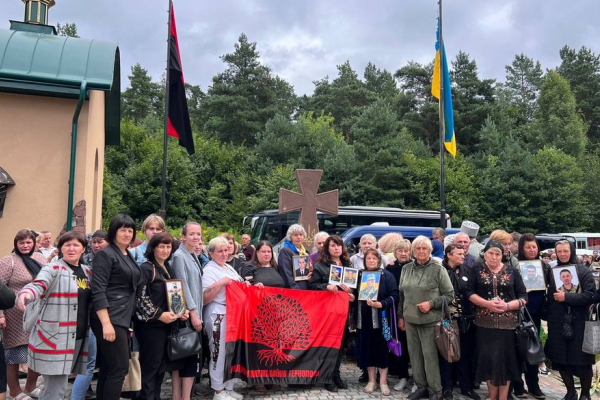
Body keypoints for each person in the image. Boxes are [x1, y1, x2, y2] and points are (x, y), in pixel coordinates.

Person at [16, 231, 92, 400]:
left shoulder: (87, 272)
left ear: (84, 249)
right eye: (67, 245)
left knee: (55, 386)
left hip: (77, 338)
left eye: (76, 245)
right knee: (56, 390)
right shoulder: (53, 268)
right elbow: (39, 283)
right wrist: (26, 294)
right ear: (61, 248)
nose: (71, 248)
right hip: (54, 338)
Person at [465, 240, 528, 400]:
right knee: (488, 360)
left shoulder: (512, 271)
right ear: (484, 254)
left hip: (508, 325)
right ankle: (492, 395)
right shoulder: (476, 270)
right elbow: (469, 293)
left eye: (497, 254)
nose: (494, 257)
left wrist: (507, 306)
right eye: (490, 253)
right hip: (484, 324)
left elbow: (523, 297)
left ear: (503, 255)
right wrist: (487, 304)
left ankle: (503, 396)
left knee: (505, 361)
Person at [90, 214, 142, 400]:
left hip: (122, 316)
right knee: (119, 368)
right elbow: (98, 290)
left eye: (130, 230)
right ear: (114, 231)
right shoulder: (106, 254)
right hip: (110, 317)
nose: (127, 234)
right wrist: (106, 323)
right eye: (123, 230)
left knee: (110, 367)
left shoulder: (126, 253)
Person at [397, 236, 454, 400]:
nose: (421, 251)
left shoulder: (438, 269)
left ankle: (435, 390)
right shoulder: (406, 268)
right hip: (410, 319)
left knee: (430, 357)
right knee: (414, 356)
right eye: (418, 248)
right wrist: (401, 316)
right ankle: (420, 387)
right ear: (413, 251)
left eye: (424, 248)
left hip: (430, 320)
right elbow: (402, 294)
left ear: (430, 250)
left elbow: (449, 295)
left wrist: (431, 303)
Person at [135, 232, 189, 400]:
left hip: (167, 325)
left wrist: (182, 311)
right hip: (151, 327)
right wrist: (159, 315)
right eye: (161, 246)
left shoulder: (167, 267)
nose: (165, 250)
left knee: (160, 368)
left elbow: (174, 295)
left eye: (168, 247)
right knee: (150, 368)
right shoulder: (146, 268)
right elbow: (140, 298)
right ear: (153, 248)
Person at [546, 239, 595, 400]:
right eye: (559, 251)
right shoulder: (553, 271)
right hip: (557, 321)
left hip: (579, 322)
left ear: (572, 251)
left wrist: (566, 296)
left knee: (582, 361)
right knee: (560, 360)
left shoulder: (584, 271)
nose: (562, 254)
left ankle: (585, 394)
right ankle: (570, 392)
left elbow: (590, 296)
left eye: (565, 251)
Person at [0, 229, 45, 399]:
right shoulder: (8, 261)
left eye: (28, 242)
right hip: (14, 315)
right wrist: (0, 314)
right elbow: (0, 289)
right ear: (16, 244)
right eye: (21, 243)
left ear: (34, 243)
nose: (25, 246)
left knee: (35, 351)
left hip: (38, 313)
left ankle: (30, 386)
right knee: (13, 354)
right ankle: (14, 390)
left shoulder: (40, 258)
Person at [203, 236, 248, 400]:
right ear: (211, 253)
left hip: (234, 313)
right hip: (218, 313)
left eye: (225, 250)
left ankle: (229, 386)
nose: (223, 254)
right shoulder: (209, 270)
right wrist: (221, 283)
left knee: (232, 351)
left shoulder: (229, 267)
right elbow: (205, 297)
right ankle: (218, 390)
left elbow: (240, 283)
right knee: (219, 351)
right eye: (219, 251)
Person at [309, 235, 354, 392]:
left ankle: (336, 375)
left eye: (339, 245)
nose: (337, 248)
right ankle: (327, 378)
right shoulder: (320, 265)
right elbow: (312, 286)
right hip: (327, 313)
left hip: (343, 312)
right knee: (329, 345)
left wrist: (352, 294)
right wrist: (326, 287)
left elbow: (353, 288)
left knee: (340, 345)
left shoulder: (348, 265)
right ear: (327, 248)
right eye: (333, 245)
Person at [239, 241, 284, 393]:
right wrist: (254, 285)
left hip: (276, 314)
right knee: (259, 347)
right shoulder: (249, 267)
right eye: (263, 251)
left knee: (274, 347)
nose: (266, 254)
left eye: (269, 252)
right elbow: (247, 286)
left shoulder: (276, 267)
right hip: (257, 313)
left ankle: (272, 378)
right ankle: (257, 380)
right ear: (256, 253)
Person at [353, 249, 398, 396]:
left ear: (379, 260)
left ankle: (383, 381)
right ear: (364, 260)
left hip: (383, 319)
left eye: (374, 258)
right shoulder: (359, 276)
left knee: (383, 350)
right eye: (368, 258)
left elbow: (394, 296)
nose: (371, 261)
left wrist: (382, 304)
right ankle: (371, 380)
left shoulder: (387, 276)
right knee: (368, 349)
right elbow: (354, 295)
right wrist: (350, 296)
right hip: (364, 320)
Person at [439, 244, 480, 400]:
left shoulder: (467, 271)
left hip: (465, 319)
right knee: (447, 353)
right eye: (459, 253)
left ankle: (466, 387)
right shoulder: (440, 271)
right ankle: (447, 387)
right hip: (447, 319)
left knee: (465, 354)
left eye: (464, 253)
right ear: (449, 254)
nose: (463, 256)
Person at [72, 229, 109, 400]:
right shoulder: (84, 263)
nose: (96, 245)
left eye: (100, 241)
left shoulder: (110, 259)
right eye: (94, 242)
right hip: (85, 317)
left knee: (92, 361)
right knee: (87, 361)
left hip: (105, 314)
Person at [511, 233, 548, 399]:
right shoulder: (515, 264)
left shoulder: (543, 266)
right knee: (517, 349)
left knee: (534, 349)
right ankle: (517, 386)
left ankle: (533, 385)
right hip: (518, 312)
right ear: (522, 248)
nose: (532, 250)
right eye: (528, 247)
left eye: (534, 247)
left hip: (535, 313)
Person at [171, 222, 204, 400]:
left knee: (185, 360)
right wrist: (193, 313)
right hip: (187, 316)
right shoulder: (179, 256)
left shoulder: (192, 255)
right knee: (185, 359)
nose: (196, 237)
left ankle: (182, 397)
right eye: (192, 234)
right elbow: (182, 286)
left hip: (194, 312)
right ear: (183, 236)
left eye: (198, 234)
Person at [387, 240, 411, 391]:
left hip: (413, 311)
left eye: (406, 251)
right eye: (400, 251)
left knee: (414, 348)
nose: (403, 254)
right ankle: (403, 376)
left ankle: (418, 379)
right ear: (395, 252)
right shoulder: (390, 268)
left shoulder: (414, 267)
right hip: (396, 312)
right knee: (400, 344)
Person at [278, 224, 311, 289]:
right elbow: (286, 274)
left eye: (301, 235)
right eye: (295, 235)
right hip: (294, 290)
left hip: (307, 289)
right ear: (290, 237)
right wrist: (296, 289)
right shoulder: (285, 251)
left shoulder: (306, 251)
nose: (299, 237)